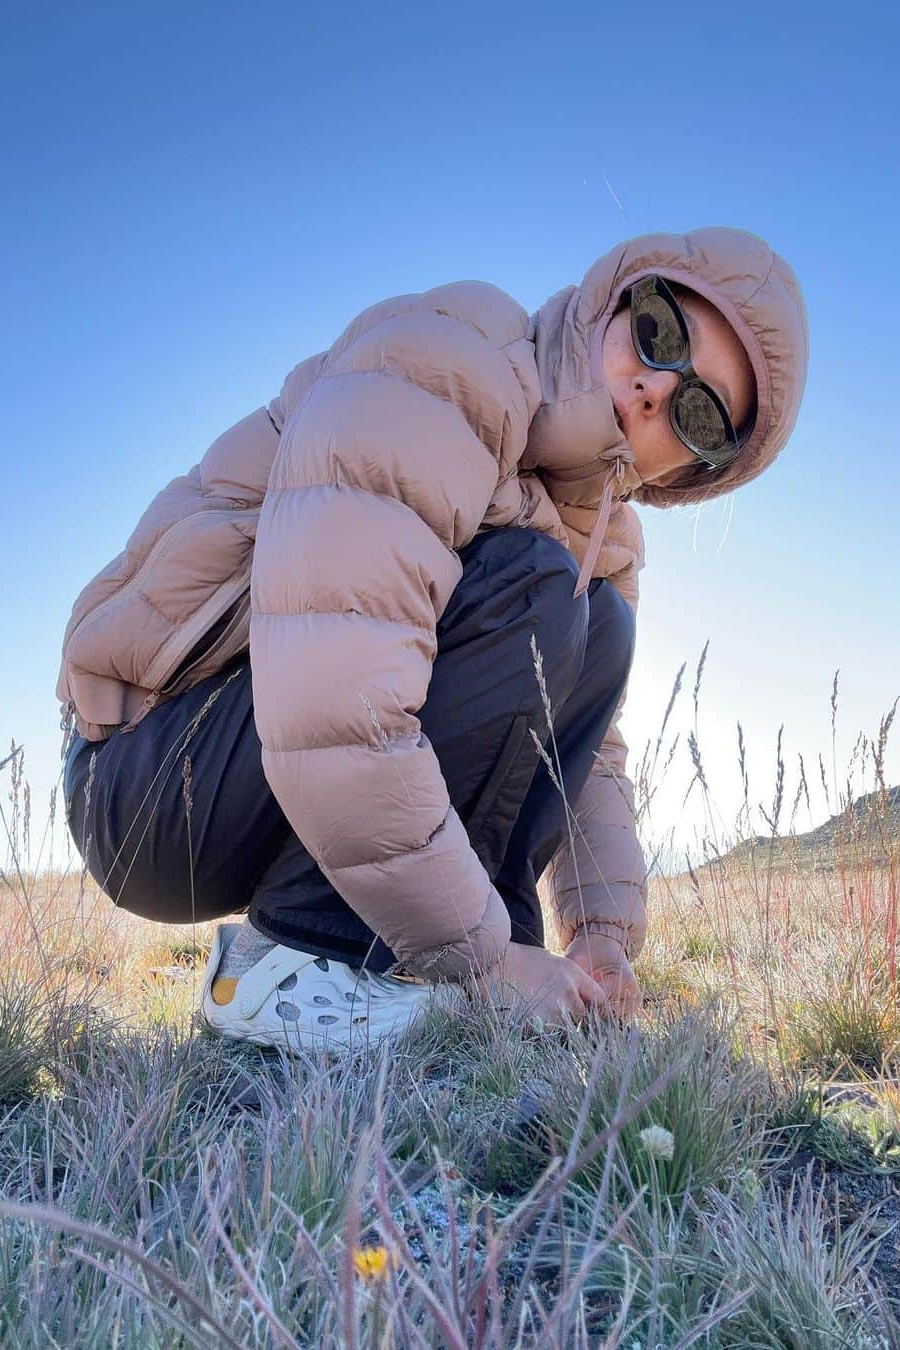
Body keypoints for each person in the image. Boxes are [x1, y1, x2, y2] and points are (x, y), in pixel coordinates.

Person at [59, 225, 808, 1055]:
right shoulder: (450, 364)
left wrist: (599, 936)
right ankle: (293, 964)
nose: (653, 390)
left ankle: (442, 991)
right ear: (620, 297)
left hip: (265, 773)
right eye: (660, 333)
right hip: (148, 779)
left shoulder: (608, 535)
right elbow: (335, 698)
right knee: (537, 585)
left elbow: (581, 755)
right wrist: (485, 964)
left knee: (596, 626)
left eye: (701, 414)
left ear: (696, 472)